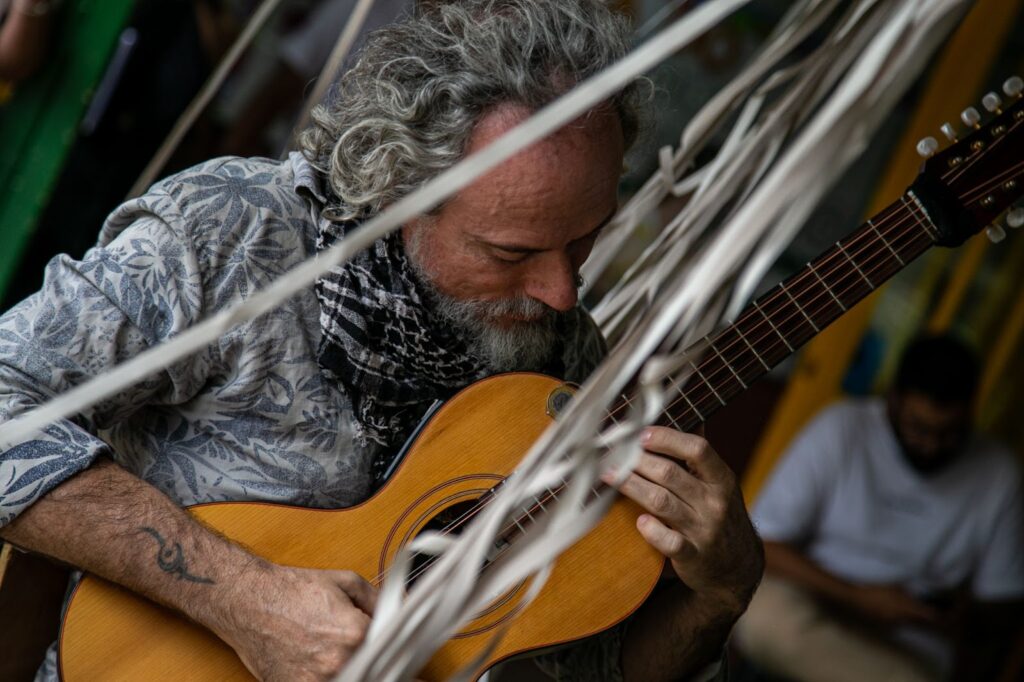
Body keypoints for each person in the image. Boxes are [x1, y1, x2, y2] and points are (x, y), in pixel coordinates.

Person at [0, 2, 764, 680]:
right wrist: (242, 597)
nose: (561, 293)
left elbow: (587, 667)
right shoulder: (237, 235)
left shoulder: (573, 372)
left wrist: (719, 595)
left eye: (584, 242)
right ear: (397, 191)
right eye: (510, 253)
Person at [734, 334, 1024, 682]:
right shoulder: (843, 428)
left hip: (910, 641)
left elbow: (1002, 606)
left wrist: (952, 617)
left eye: (949, 433)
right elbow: (762, 543)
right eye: (919, 429)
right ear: (893, 401)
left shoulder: (1000, 474)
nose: (931, 446)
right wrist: (857, 597)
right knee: (764, 618)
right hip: (813, 606)